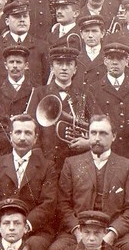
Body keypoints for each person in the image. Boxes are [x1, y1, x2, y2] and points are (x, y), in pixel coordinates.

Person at [49, 114, 129, 250]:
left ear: (114, 136)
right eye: (93, 133)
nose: (97, 138)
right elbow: (63, 205)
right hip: (79, 230)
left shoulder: (128, 166)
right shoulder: (71, 164)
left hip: (114, 230)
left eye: (103, 133)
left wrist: (112, 233)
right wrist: (78, 232)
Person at [0, 115, 58, 250]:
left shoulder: (47, 167)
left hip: (34, 231)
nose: (22, 138)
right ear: (10, 136)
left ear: (35, 138)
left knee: (32, 247)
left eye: (28, 133)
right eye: (18, 132)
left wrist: (25, 226)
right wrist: (3, 227)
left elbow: (48, 203)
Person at [32, 44, 92, 175]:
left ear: (75, 69)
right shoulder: (39, 93)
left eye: (69, 64)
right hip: (46, 160)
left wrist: (89, 142)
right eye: (59, 64)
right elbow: (31, 126)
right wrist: (38, 156)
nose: (64, 68)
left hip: (76, 161)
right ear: (52, 68)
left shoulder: (84, 94)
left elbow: (98, 123)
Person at [86, 40, 129, 161]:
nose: (115, 62)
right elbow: (90, 118)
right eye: (110, 58)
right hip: (102, 149)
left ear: (126, 62)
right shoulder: (93, 89)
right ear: (105, 61)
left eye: (120, 59)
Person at [0, 0, 48, 85]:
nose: (22, 20)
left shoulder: (42, 46)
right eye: (17, 16)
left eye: (25, 16)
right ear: (7, 21)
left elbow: (46, 80)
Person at [0, 44, 36, 129]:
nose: (14, 66)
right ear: (5, 65)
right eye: (11, 62)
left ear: (26, 65)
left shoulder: (35, 90)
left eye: (19, 62)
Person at [75, 14, 107, 89]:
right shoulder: (76, 57)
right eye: (86, 31)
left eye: (94, 31)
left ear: (102, 33)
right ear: (81, 34)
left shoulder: (108, 57)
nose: (90, 35)